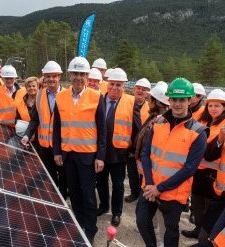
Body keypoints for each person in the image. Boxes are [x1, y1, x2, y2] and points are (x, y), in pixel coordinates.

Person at [136, 77, 208, 247]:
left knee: (170, 231)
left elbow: (189, 169)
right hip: (149, 186)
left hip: (173, 193)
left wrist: (159, 188)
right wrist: (151, 184)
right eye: (174, 99)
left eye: (182, 99)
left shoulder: (198, 133)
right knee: (142, 221)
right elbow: (146, 154)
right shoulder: (158, 123)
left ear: (189, 100)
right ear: (169, 99)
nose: (177, 104)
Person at [53, 56, 106, 244]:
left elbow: (102, 129)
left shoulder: (96, 96)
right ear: (69, 75)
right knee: (74, 193)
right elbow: (57, 126)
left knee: (89, 195)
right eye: (75, 73)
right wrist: (57, 151)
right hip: (67, 155)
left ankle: (90, 229)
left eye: (82, 74)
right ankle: (79, 224)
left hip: (88, 156)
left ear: (87, 76)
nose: (78, 77)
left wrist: (100, 156)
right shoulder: (60, 97)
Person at [182, 89, 225, 241]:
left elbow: (211, 154)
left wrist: (220, 138)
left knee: (207, 210)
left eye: (217, 106)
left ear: (224, 107)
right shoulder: (203, 121)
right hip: (198, 172)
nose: (213, 109)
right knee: (197, 207)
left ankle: (205, 236)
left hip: (213, 176)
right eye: (210, 105)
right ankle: (198, 229)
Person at [21, 61, 67, 198]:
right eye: (48, 76)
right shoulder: (40, 95)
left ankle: (63, 197)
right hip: (45, 145)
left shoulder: (67, 95)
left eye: (54, 76)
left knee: (63, 175)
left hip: (62, 145)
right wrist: (27, 135)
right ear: (44, 78)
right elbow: (35, 119)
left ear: (59, 77)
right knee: (50, 175)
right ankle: (53, 197)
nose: (51, 79)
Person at [96, 68, 134, 227]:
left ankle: (117, 213)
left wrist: (133, 151)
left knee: (118, 185)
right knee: (101, 182)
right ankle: (104, 206)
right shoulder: (98, 100)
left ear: (123, 86)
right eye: (112, 84)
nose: (114, 88)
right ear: (107, 84)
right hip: (100, 152)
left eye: (118, 85)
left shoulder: (130, 103)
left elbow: (137, 127)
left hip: (119, 153)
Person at [135, 82, 170, 247]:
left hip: (160, 176)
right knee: (147, 212)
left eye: (151, 98)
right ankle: (153, 231)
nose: (148, 100)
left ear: (157, 101)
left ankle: (162, 240)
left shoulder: (162, 121)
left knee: (163, 213)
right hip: (149, 172)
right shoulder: (153, 117)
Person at [125, 78, 151, 203]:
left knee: (143, 173)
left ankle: (141, 194)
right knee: (131, 172)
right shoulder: (127, 104)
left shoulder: (149, 108)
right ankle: (134, 193)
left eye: (144, 89)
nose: (140, 91)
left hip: (143, 148)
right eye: (138, 88)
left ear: (147, 93)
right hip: (130, 146)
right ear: (134, 89)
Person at [15, 77, 39, 146]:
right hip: (23, 135)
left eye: (34, 86)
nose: (31, 88)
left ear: (38, 87)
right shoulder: (22, 101)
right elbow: (17, 118)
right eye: (29, 86)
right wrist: (20, 125)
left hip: (38, 138)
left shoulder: (41, 101)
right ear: (26, 88)